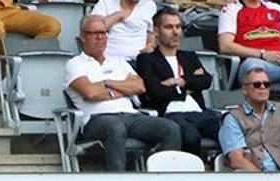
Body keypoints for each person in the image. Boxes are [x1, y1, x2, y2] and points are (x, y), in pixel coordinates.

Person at [67, 16, 181, 171]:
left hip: (130, 115)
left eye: (103, 32)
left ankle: (158, 176)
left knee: (171, 128)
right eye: (94, 33)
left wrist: (108, 83)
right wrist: (124, 89)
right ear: (83, 37)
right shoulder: (74, 64)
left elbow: (140, 87)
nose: (100, 37)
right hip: (96, 119)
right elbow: (91, 93)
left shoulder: (118, 62)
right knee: (115, 127)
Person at [136, 7, 220, 156]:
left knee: (229, 134)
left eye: (178, 27)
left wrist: (179, 81)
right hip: (172, 114)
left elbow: (206, 80)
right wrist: (189, 86)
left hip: (200, 112)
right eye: (168, 27)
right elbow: (155, 92)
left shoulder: (189, 56)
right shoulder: (147, 60)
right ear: (156, 31)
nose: (175, 32)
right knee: (191, 138)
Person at [220, 66, 280, 171]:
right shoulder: (232, 118)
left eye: (266, 84)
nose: (263, 87)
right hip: (249, 178)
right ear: (244, 90)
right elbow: (237, 160)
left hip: (279, 176)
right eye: (257, 85)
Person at [218, 0, 280, 84]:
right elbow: (225, 46)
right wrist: (263, 54)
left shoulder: (276, 8)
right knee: (254, 68)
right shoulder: (231, 9)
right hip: (256, 63)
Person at [90, 0, 158, 62]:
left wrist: (150, 45)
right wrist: (117, 16)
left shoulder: (149, 5)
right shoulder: (105, 3)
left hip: (139, 61)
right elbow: (91, 28)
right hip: (109, 60)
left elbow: (151, 33)